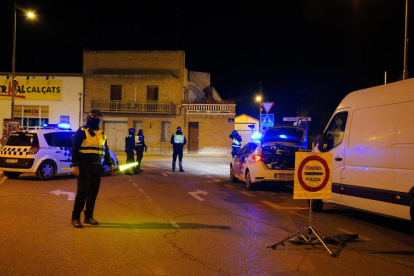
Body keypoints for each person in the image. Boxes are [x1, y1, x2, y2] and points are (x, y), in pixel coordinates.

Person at [71, 109, 114, 228]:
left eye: (97, 116)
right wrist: (75, 165)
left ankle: (88, 216)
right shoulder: (82, 131)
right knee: (82, 192)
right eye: (93, 116)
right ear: (89, 117)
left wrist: (110, 163)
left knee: (93, 193)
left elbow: (105, 150)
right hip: (84, 165)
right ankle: (75, 217)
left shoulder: (102, 133)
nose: (95, 118)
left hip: (96, 167)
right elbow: (74, 149)